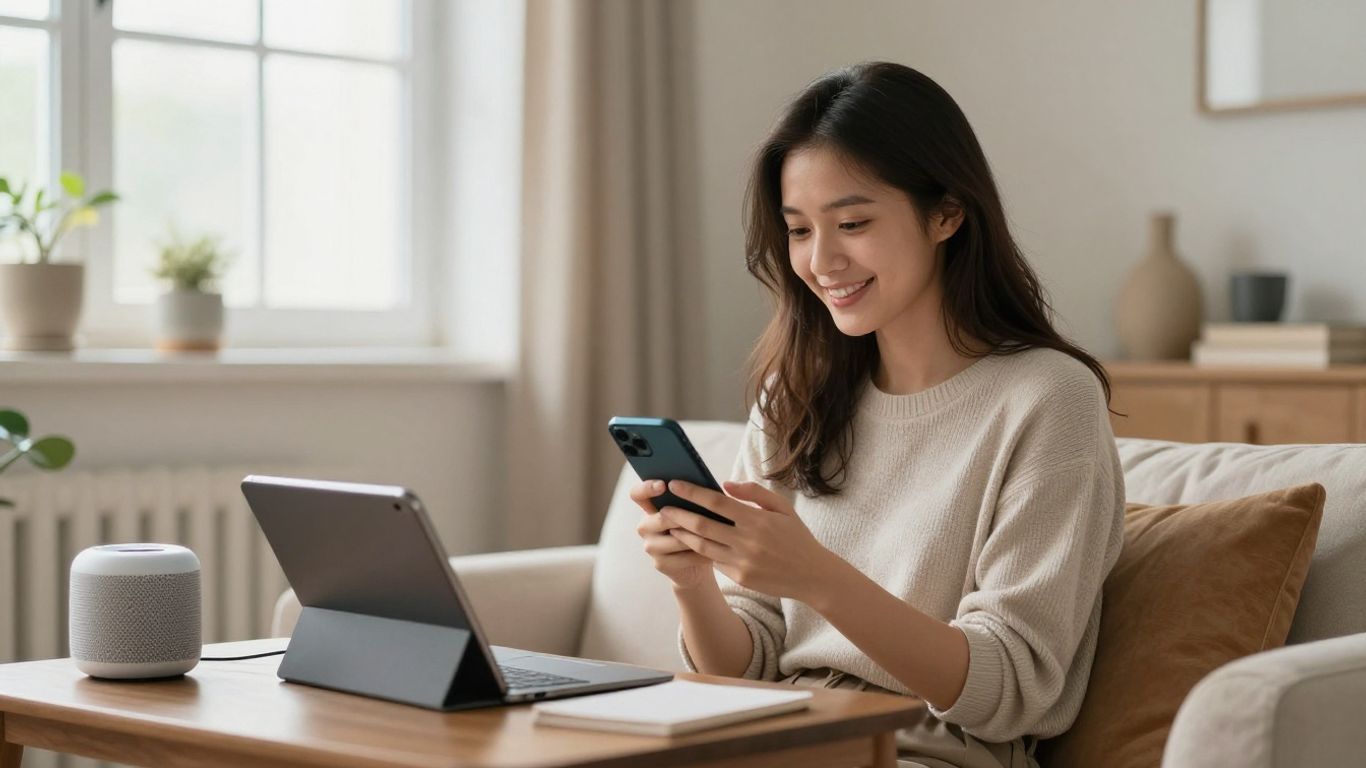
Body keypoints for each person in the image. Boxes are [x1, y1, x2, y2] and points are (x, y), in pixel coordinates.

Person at [631, 62, 1125, 768]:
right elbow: (743, 669)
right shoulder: (797, 390)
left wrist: (818, 578)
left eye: (853, 223)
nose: (822, 259)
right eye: (799, 230)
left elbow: (1012, 685)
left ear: (947, 213)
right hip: (781, 735)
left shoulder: (1049, 399)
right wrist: (693, 582)